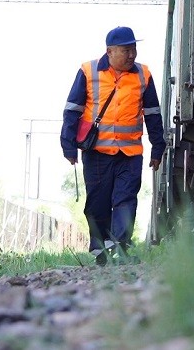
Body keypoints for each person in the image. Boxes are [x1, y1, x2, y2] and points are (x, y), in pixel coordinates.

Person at [60, 26, 166, 265]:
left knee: (126, 199)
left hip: (130, 153)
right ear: (110, 51)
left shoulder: (144, 75)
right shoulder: (88, 71)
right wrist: (68, 145)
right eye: (126, 50)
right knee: (97, 202)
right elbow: (72, 110)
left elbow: (152, 114)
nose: (132, 55)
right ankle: (101, 250)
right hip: (97, 152)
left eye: (134, 49)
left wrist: (157, 147)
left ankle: (120, 247)